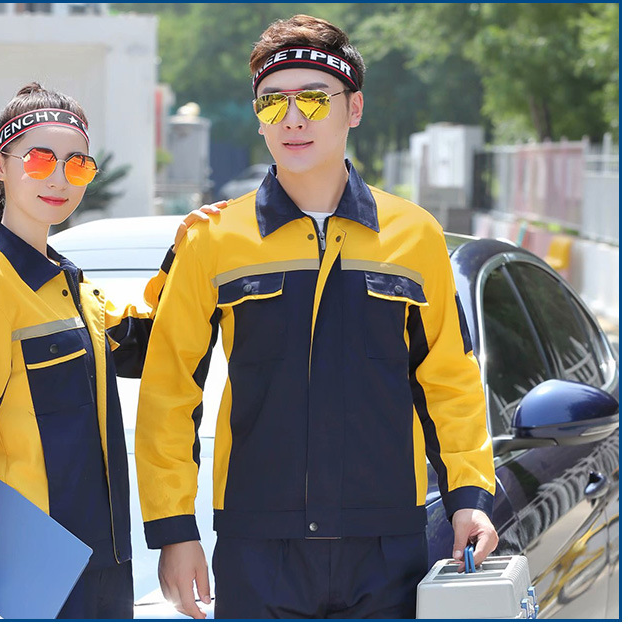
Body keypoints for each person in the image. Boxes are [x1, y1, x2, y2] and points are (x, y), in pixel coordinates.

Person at [135, 14, 499, 620]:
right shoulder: (212, 240)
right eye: (272, 102)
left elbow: (449, 381)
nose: (293, 118)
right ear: (258, 117)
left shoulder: (415, 236)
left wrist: (468, 496)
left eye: (313, 98)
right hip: (257, 546)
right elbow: (169, 392)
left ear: (353, 109)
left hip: (387, 547)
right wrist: (174, 530)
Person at [0, 82, 221, 620]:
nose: (59, 179)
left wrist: (186, 252)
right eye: (39, 160)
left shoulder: (69, 284)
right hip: (34, 574)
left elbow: (147, 344)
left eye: (77, 165)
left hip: (102, 564)